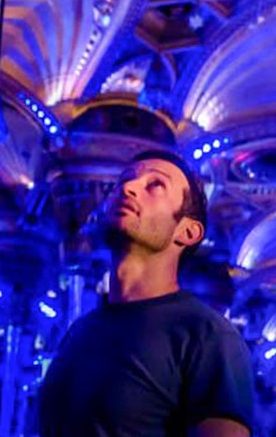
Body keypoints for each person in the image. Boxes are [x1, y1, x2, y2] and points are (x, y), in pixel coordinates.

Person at [39, 150, 254, 437]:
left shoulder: (207, 335)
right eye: (124, 181)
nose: (128, 187)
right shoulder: (81, 330)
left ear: (187, 231)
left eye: (156, 185)